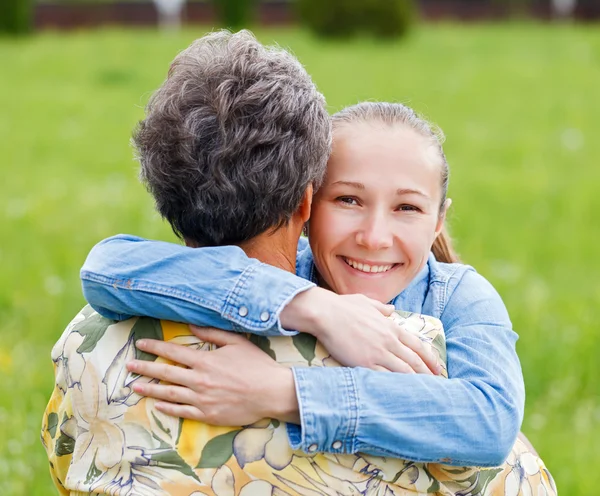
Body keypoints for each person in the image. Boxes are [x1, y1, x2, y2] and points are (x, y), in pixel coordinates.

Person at [77, 84, 557, 496]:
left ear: (438, 220)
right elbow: (108, 266)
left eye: (407, 208)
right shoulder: (283, 271)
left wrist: (284, 391)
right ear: (306, 206)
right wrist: (312, 308)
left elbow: (488, 421)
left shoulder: (457, 297)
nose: (374, 236)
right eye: (348, 199)